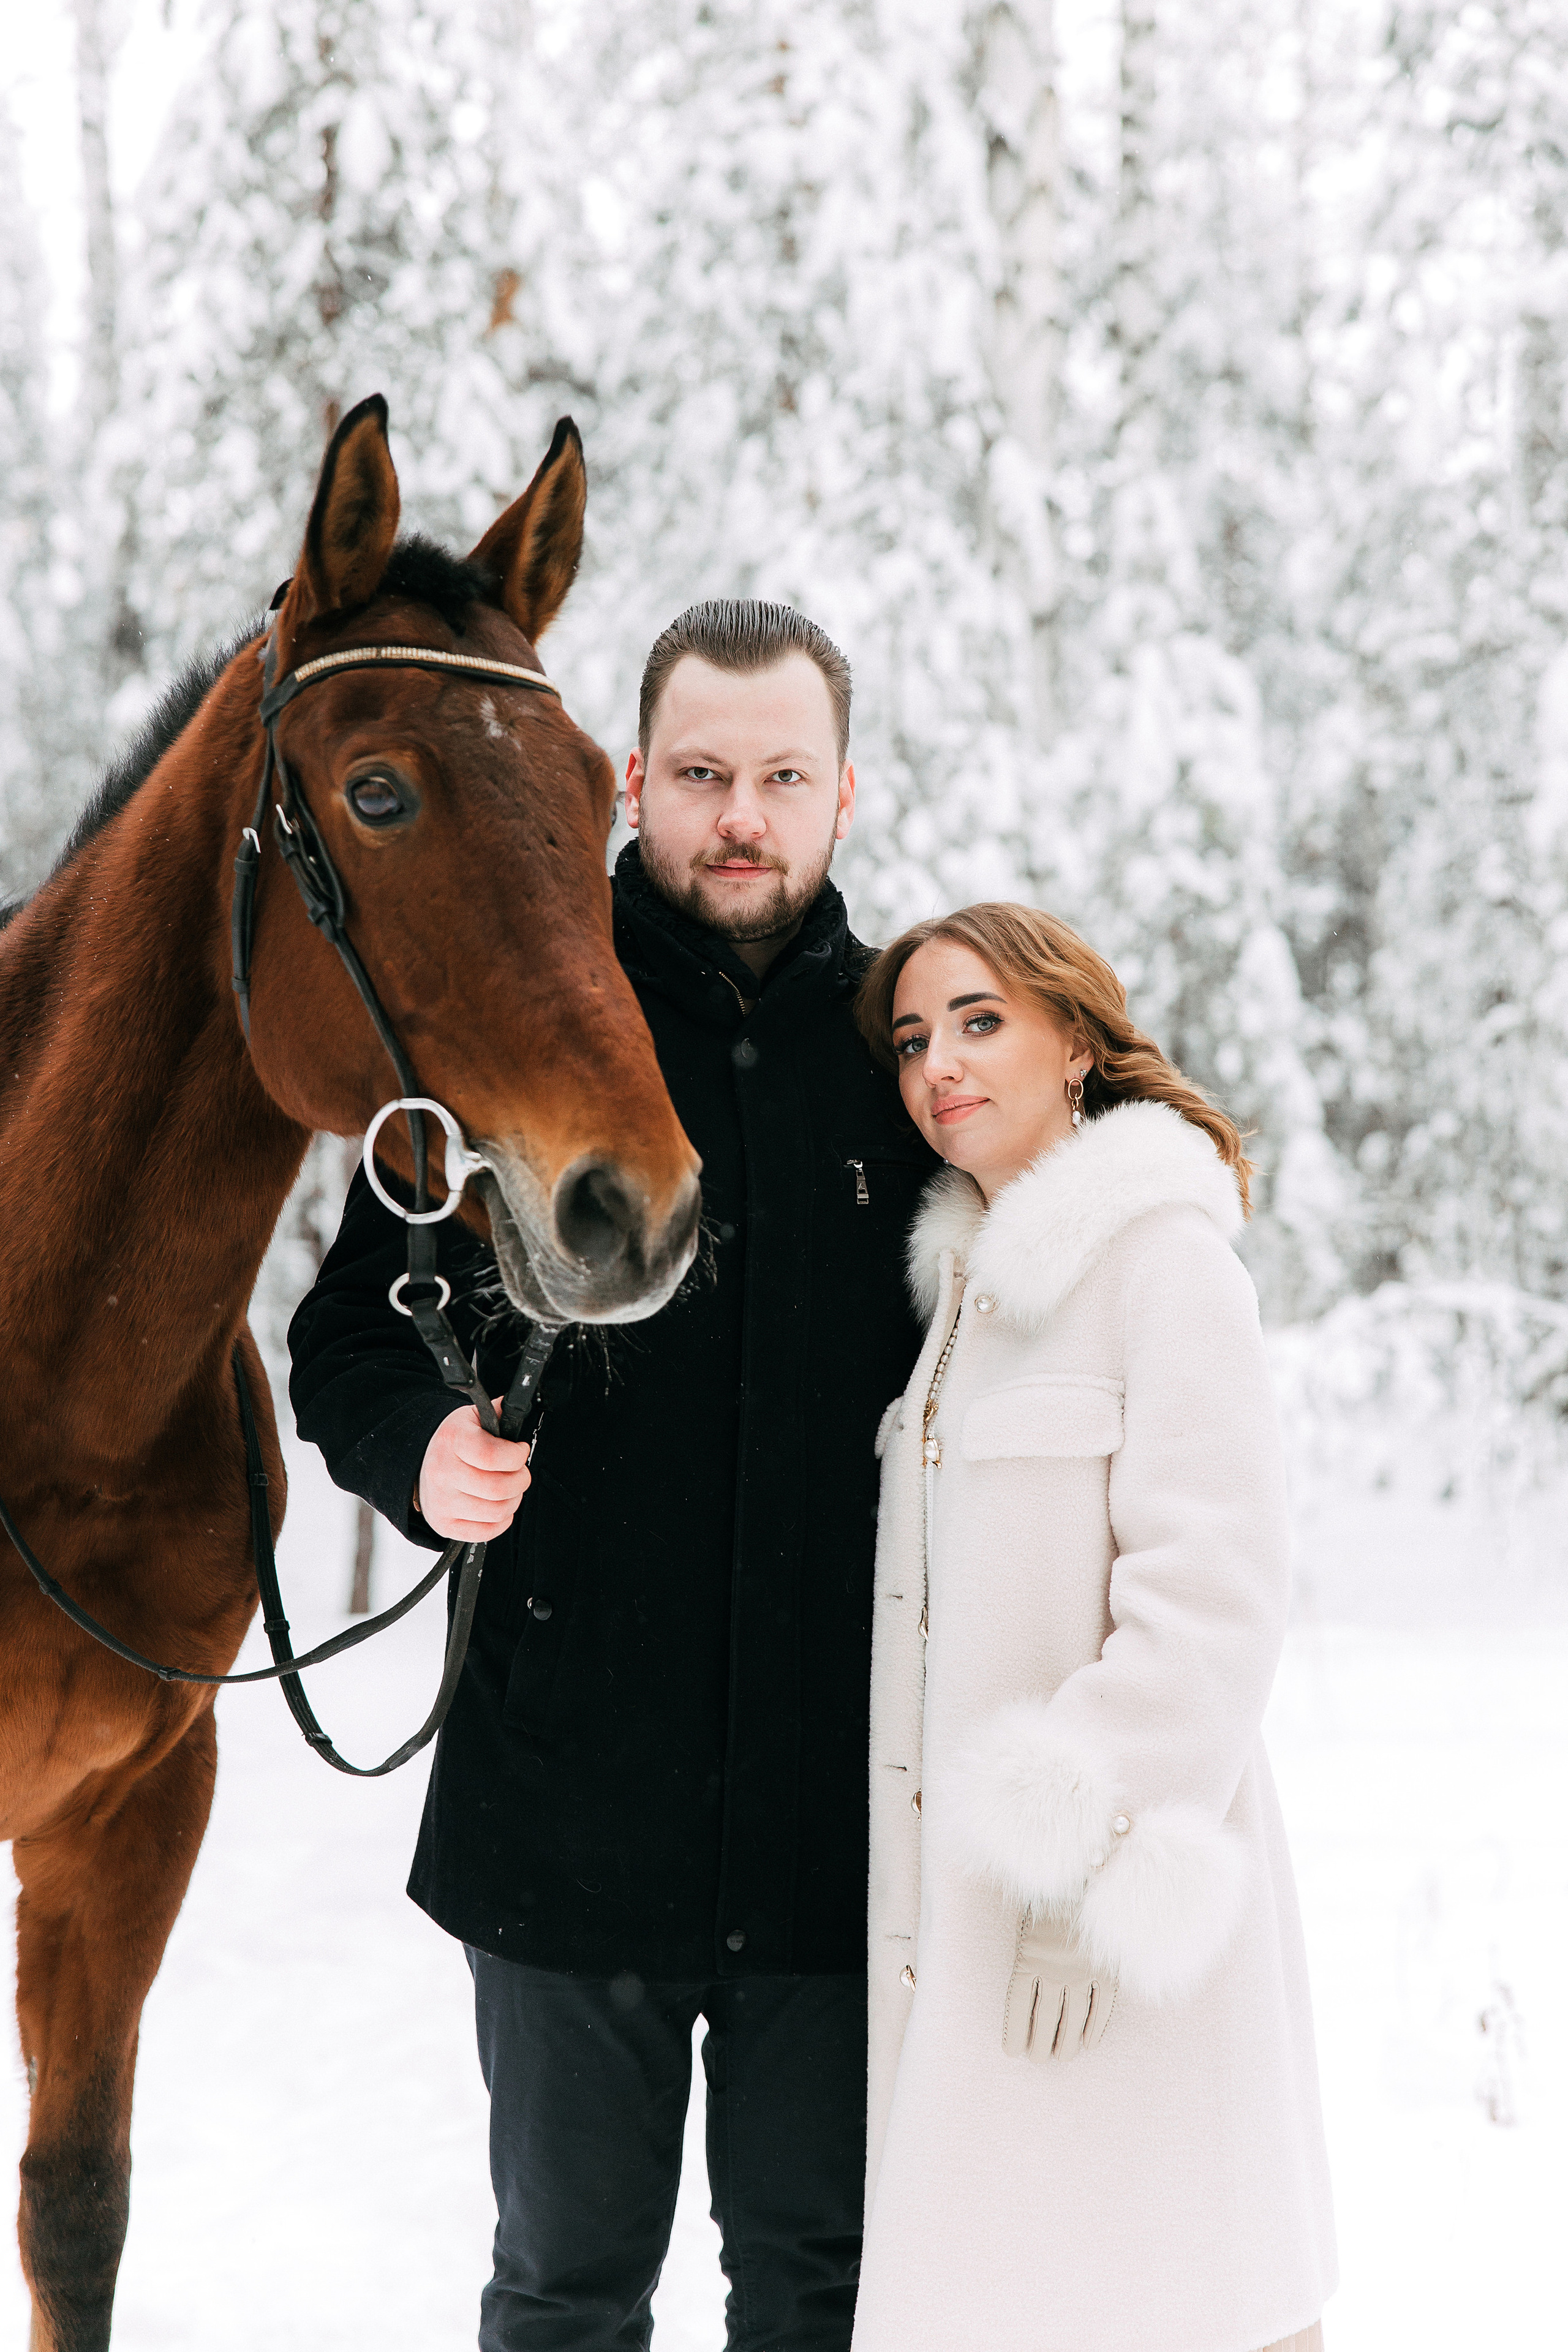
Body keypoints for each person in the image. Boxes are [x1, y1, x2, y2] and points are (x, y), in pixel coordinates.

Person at [287, 599, 937, 2352]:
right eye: (705, 774)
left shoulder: (912, 1058)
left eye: (783, 778)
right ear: (634, 781)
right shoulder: (512, 1019)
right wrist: (418, 1451)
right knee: (566, 2297)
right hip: (567, 1814)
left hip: (838, 1830)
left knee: (824, 2296)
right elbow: (345, 1338)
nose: (743, 817)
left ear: (844, 794)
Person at [848, 903, 1336, 2352]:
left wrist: (1079, 1862)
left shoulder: (1160, 1259)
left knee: (1165, 2294)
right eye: (911, 1040)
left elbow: (1212, 1595)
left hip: (1114, 1930)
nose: (937, 1064)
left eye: (978, 1021)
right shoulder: (963, 1302)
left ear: (1073, 1040)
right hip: (971, 1935)